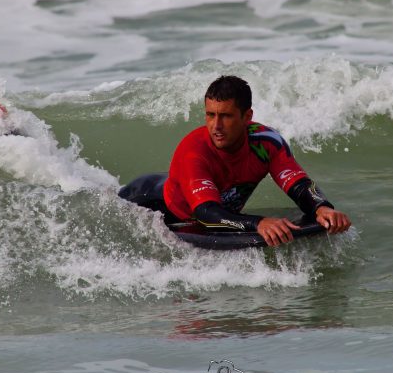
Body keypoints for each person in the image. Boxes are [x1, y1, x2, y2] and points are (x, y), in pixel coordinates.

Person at [119, 75, 351, 246]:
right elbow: (206, 214)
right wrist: (258, 223)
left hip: (203, 206)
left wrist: (321, 208)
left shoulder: (266, 143)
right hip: (147, 202)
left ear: (247, 116)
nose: (216, 126)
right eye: (210, 115)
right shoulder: (194, 151)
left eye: (226, 116)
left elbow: (298, 184)